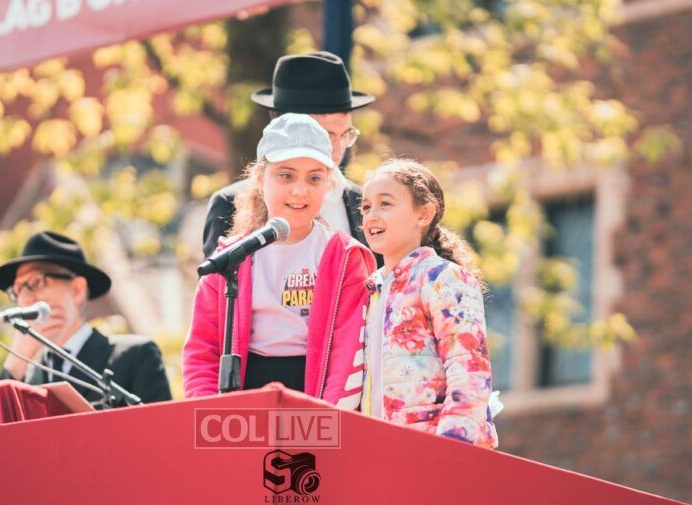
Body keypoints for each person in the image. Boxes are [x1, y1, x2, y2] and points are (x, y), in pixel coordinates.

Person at [183, 114, 375, 408]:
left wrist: (326, 420)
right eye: (286, 175)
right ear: (261, 179)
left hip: (317, 401)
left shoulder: (346, 257)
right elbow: (202, 353)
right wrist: (213, 416)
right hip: (242, 403)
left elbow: (348, 353)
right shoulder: (230, 258)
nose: (300, 191)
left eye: (314, 178)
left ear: (328, 183)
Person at [360, 158, 500, 448]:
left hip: (433, 450)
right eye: (366, 207)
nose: (372, 215)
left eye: (385, 204)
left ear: (423, 214)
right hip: (380, 448)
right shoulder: (369, 289)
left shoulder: (442, 278)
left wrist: (450, 447)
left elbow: (469, 371)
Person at [202, 51, 380, 263]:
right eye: (325, 135)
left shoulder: (365, 201)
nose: (338, 148)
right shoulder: (228, 204)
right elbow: (217, 281)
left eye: (346, 135)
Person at [0, 231, 172, 405]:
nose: (26, 298)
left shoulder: (134, 356)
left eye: (36, 282)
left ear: (77, 290)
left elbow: (160, 424)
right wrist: (17, 359)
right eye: (18, 289)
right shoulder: (25, 377)